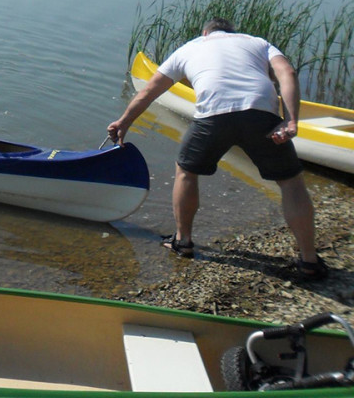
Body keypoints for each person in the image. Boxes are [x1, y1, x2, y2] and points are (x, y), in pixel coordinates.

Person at [107, 18, 326, 279]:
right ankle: (309, 260)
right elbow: (287, 73)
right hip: (261, 115)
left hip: (213, 116)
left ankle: (183, 241)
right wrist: (290, 120)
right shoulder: (258, 42)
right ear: (233, 32)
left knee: (186, 172)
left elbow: (148, 92)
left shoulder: (190, 47)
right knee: (290, 182)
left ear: (206, 32)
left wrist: (124, 122)